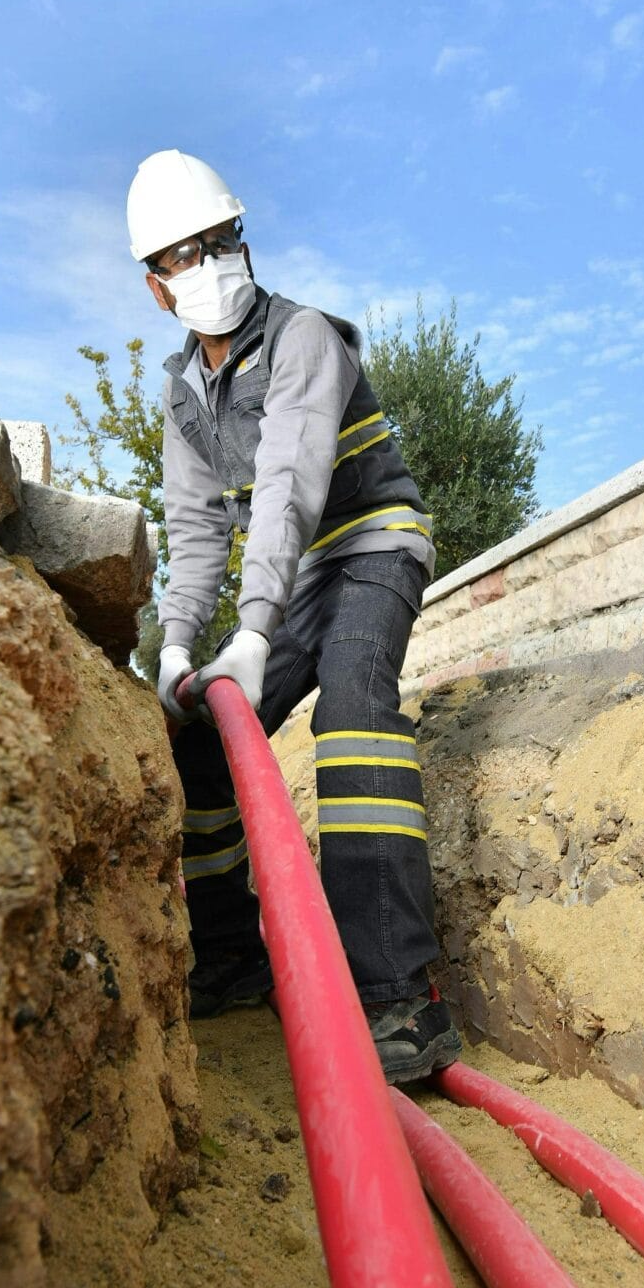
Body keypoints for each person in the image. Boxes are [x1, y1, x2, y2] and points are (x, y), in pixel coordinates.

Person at [129, 147, 461, 1085]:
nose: (208, 265)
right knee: (198, 743)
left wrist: (253, 626)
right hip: (305, 572)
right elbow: (196, 528)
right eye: (183, 255)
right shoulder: (182, 392)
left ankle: (400, 996)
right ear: (155, 286)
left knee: (354, 712)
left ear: (242, 238)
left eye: (219, 241)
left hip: (374, 543)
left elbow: (286, 482)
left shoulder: (304, 335)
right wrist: (179, 645)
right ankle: (232, 959)